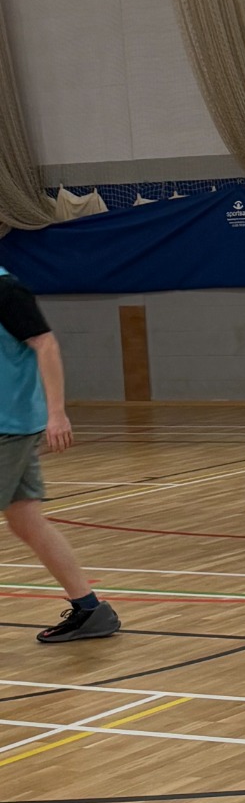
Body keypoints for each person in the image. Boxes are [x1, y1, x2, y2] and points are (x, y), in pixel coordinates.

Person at [0, 266, 120, 643]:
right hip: (12, 424)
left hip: (9, 425)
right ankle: (90, 610)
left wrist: (57, 413)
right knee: (25, 519)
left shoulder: (6, 290)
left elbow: (46, 344)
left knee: (25, 519)